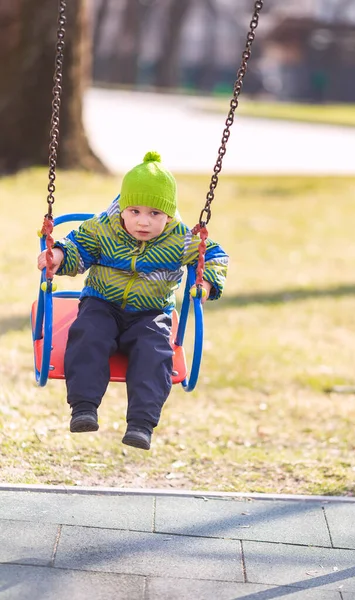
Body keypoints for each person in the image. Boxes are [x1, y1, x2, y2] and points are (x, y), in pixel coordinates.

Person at [37, 151, 228, 450]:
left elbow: (215, 255)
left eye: (155, 214)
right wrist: (59, 256)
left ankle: (141, 424)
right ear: (123, 208)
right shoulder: (103, 228)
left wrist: (206, 280)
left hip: (151, 313)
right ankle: (84, 407)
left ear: (169, 214)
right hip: (102, 302)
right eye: (135, 211)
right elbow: (77, 246)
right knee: (88, 335)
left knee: (155, 353)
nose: (143, 221)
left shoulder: (181, 239)